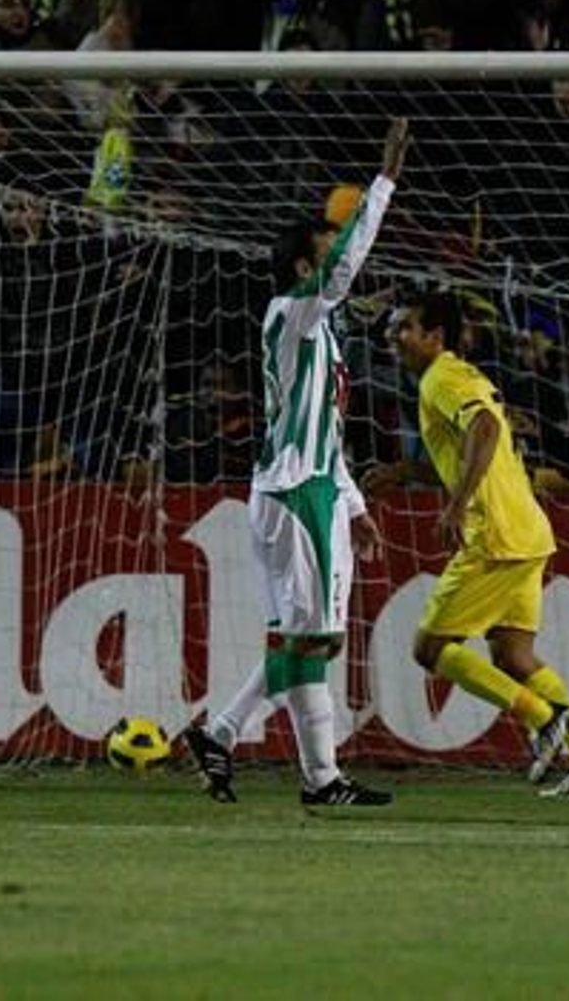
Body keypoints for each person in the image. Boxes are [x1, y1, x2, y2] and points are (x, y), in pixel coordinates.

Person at [184, 118, 410, 808]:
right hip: (293, 494)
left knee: (308, 639)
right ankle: (321, 779)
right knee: (314, 640)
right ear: (306, 270)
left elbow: (326, 435)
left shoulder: (321, 338)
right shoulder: (289, 314)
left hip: (312, 489)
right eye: (326, 252)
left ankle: (221, 733)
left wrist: (355, 506)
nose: (339, 262)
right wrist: (384, 181)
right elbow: (344, 266)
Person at [384, 290, 569, 796]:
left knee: (429, 647)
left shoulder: (441, 378)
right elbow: (475, 445)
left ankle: (542, 717)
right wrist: (406, 471)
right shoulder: (462, 375)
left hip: (495, 535)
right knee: (514, 657)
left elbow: (487, 428)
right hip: (527, 530)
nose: (393, 335)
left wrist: (457, 504)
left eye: (404, 327)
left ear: (435, 336)